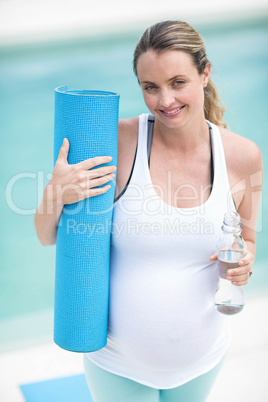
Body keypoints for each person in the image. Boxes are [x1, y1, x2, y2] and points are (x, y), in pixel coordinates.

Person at [34, 20, 262, 402]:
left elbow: (249, 239)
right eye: (150, 88)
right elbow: (46, 235)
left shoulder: (242, 156)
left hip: (202, 359)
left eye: (178, 82)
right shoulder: (118, 142)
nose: (165, 101)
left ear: (204, 74)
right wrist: (56, 193)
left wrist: (244, 262)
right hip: (118, 363)